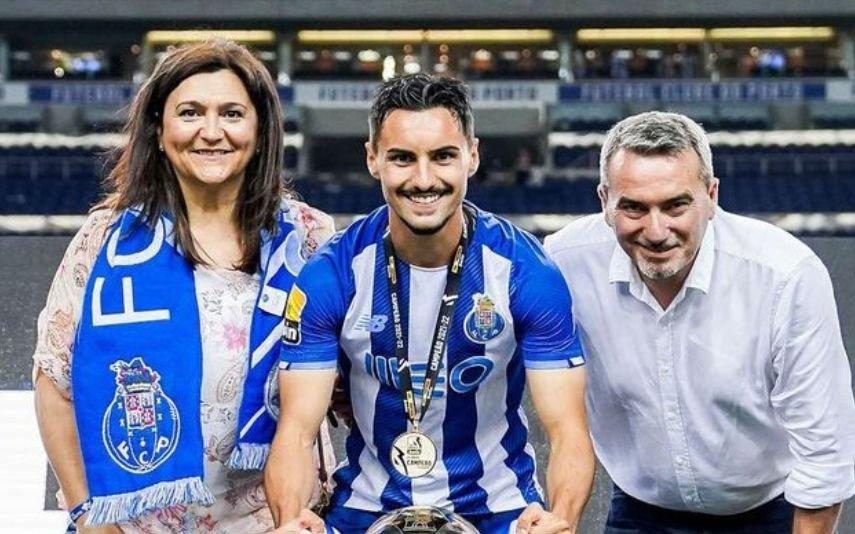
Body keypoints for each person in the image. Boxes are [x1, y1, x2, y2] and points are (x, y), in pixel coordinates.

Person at [264, 73, 595, 534]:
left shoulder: (526, 273)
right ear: (373, 159)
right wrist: (290, 520)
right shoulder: (331, 274)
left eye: (443, 157)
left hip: (500, 512)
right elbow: (297, 433)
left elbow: (567, 431)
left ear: (472, 156)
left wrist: (560, 518)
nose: (424, 180)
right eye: (402, 158)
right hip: (364, 510)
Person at [32, 40, 335, 533]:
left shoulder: (311, 238)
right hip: (130, 527)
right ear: (159, 127)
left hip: (272, 522)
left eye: (232, 113)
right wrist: (90, 519)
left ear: (260, 130)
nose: (211, 132)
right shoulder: (105, 241)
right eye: (190, 112)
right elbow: (53, 384)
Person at [544, 111, 855, 533]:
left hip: (768, 512)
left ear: (711, 195)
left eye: (676, 205)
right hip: (641, 511)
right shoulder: (563, 263)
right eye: (633, 208)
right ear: (604, 202)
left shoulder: (786, 275)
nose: (656, 231)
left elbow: (824, 453)